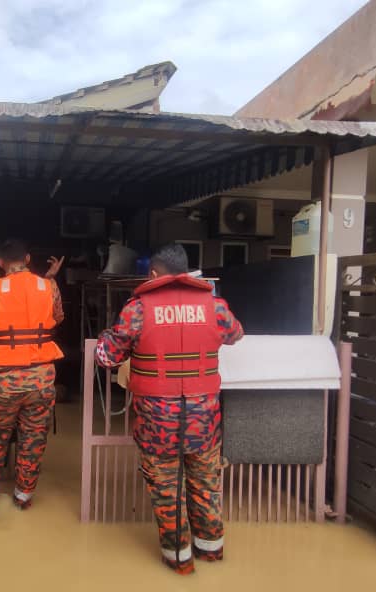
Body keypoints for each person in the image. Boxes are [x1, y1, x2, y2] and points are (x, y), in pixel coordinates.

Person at [96, 244, 244, 575]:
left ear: (153, 274)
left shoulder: (136, 310)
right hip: (204, 420)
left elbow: (106, 358)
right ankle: (212, 551)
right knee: (205, 482)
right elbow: (236, 334)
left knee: (166, 489)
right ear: (188, 271)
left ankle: (180, 560)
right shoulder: (214, 306)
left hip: (156, 421)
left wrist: (108, 335)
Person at [0, 240, 64, 516]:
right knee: (33, 440)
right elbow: (58, 317)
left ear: (1, 263)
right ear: (27, 259)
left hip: (5, 382)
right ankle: (23, 498)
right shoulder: (48, 286)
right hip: (42, 380)